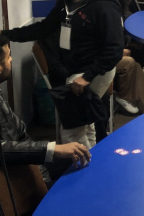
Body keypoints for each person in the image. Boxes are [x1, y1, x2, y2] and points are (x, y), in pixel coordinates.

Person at [1, 0, 123, 148]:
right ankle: (92, 165)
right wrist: (6, 35)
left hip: (95, 70)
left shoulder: (104, 6)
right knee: (85, 125)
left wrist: (86, 77)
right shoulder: (66, 0)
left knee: (71, 132)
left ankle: (79, 170)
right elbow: (44, 28)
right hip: (74, 69)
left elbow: (115, 49)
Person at [0, 34, 92, 186]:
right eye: (9, 56)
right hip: (13, 175)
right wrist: (51, 150)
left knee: (82, 159)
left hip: (25, 161)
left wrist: (44, 159)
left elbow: (20, 135)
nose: (11, 60)